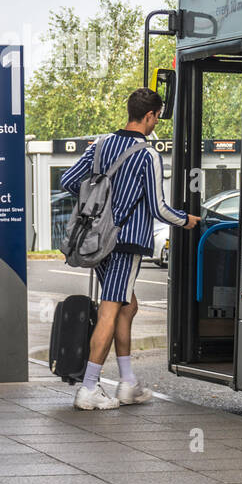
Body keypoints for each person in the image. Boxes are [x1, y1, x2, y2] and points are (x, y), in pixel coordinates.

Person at [60, 89, 200, 410]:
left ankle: (127, 383)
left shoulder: (101, 144)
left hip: (97, 241)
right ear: (149, 116)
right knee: (110, 312)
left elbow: (69, 180)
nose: (156, 124)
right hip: (125, 242)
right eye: (156, 118)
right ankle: (89, 388)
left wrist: (99, 205)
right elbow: (158, 207)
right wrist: (187, 220)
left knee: (128, 306)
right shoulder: (147, 155)